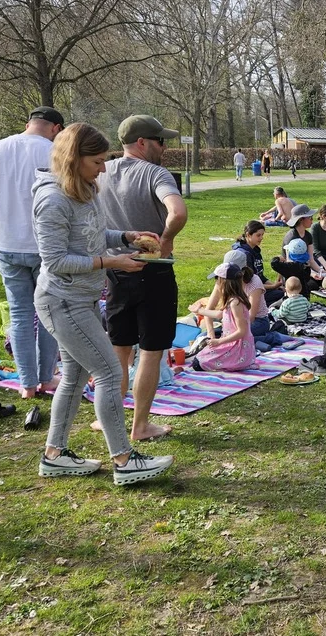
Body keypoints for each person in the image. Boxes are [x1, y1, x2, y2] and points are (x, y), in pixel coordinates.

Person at [31, 122, 173, 485]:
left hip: (82, 299)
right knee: (109, 372)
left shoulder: (85, 189)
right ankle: (124, 460)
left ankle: (54, 456)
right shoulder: (52, 200)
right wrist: (112, 262)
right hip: (62, 301)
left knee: (74, 377)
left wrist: (126, 236)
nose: (103, 169)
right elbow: (56, 261)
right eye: (96, 162)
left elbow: (92, 236)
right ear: (73, 159)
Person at [93, 114, 188, 442]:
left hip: (116, 270)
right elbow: (178, 212)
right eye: (161, 141)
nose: (164, 147)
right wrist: (166, 238)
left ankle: (109, 420)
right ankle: (141, 426)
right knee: (150, 351)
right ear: (143, 142)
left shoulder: (102, 171)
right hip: (153, 271)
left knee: (119, 349)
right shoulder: (155, 173)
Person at [0, 105, 64, 399]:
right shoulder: (54, 151)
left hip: (6, 242)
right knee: (48, 313)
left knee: (20, 315)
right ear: (56, 129)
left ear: (28, 123)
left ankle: (26, 383)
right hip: (44, 244)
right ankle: (46, 377)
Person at [189, 261, 257, 373]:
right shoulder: (231, 300)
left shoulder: (235, 303)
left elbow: (242, 331)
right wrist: (199, 310)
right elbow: (219, 314)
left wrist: (219, 342)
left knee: (198, 363)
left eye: (217, 280)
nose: (215, 283)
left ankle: (240, 364)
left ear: (223, 282)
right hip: (231, 344)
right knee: (198, 359)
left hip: (238, 348)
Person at [233, 220, 285, 304]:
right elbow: (249, 283)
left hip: (258, 287)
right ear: (248, 235)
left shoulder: (255, 250)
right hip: (248, 292)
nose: (261, 238)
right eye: (258, 235)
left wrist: (275, 286)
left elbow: (260, 276)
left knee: (282, 292)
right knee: (282, 295)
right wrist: (273, 286)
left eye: (262, 235)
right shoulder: (244, 255)